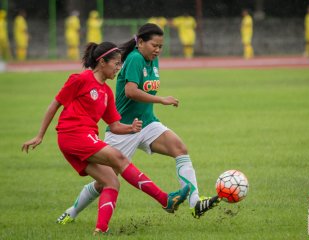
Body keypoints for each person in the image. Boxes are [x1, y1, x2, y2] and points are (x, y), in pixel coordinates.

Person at [57, 23, 220, 224]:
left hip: (148, 123)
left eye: (161, 46)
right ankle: (71, 212)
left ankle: (195, 202)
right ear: (140, 42)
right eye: (154, 45)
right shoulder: (134, 58)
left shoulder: (153, 61)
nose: (158, 50)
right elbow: (130, 91)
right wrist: (161, 99)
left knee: (180, 148)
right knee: (106, 181)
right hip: (124, 128)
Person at [22, 41, 190, 235]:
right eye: (116, 63)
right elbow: (55, 104)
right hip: (73, 134)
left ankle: (100, 230)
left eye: (120, 64)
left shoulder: (107, 92)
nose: (119, 68)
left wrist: (131, 129)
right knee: (119, 159)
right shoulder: (80, 79)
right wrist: (39, 135)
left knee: (111, 181)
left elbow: (114, 126)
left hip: (82, 138)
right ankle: (165, 200)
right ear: (102, 62)